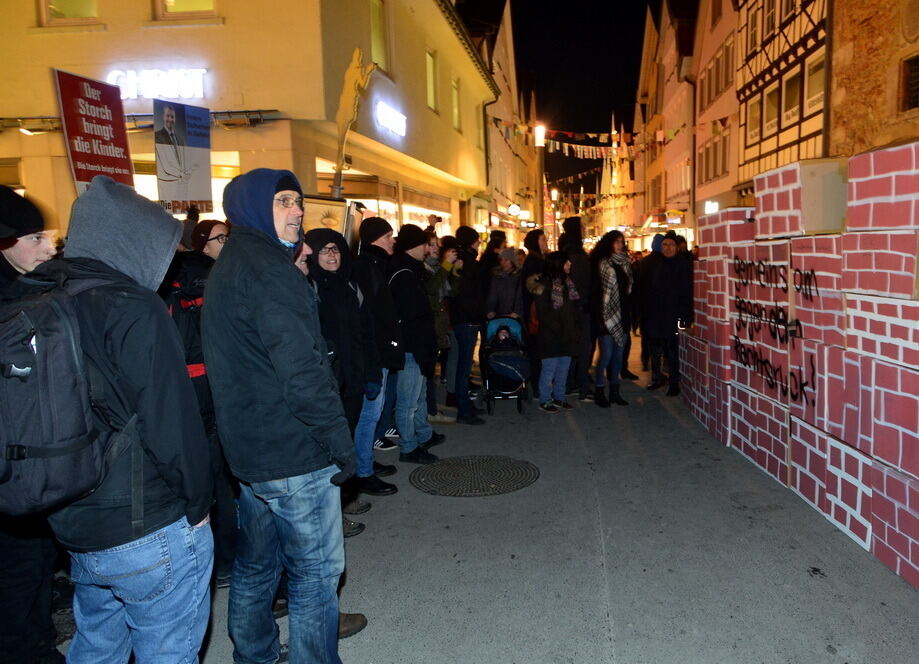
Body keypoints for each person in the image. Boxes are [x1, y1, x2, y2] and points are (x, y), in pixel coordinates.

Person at [22, 176, 214, 663]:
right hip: (148, 521)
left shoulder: (41, 297)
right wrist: (199, 507)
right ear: (130, 239)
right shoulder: (132, 306)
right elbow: (172, 422)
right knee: (168, 652)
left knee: (97, 647)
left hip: (74, 516)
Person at [202, 169, 355, 664]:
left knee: (256, 566)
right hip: (293, 453)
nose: (298, 211)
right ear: (252, 207)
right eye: (284, 201)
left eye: (298, 201)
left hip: (251, 452)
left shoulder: (233, 263)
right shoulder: (271, 271)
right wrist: (339, 441)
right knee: (314, 575)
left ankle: (256, 655)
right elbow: (302, 371)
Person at [0, 186, 63, 664]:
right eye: (36, 237)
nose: (50, 247)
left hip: (28, 468)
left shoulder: (29, 293)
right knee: (19, 576)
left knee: (35, 566)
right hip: (10, 473)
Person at [160, 219, 239, 588]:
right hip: (210, 387)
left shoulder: (174, 279)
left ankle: (219, 559)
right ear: (201, 245)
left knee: (208, 480)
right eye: (220, 237)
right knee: (217, 480)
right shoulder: (202, 276)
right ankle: (225, 558)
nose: (227, 242)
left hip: (193, 389)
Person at [302, 228, 397, 500]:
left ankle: (345, 497)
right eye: (324, 250)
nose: (332, 255)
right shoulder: (310, 288)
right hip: (328, 384)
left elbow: (366, 334)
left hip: (354, 380)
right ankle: (333, 504)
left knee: (351, 435)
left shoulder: (350, 286)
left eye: (336, 249)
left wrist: (372, 373)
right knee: (330, 447)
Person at [388, 224, 445, 463]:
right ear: (413, 246)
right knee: (408, 401)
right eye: (425, 244)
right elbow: (411, 317)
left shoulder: (411, 270)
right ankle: (408, 447)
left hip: (417, 346)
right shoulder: (404, 273)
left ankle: (423, 434)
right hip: (411, 347)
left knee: (418, 397)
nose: (429, 249)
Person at [351, 217, 405, 456]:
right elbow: (372, 315)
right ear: (374, 240)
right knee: (370, 411)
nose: (392, 241)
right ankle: (364, 468)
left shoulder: (376, 265)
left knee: (374, 409)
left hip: (379, 349)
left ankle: (366, 462)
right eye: (387, 237)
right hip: (375, 351)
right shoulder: (367, 267)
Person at [529, 251, 581, 413]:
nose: (570, 264)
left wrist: (574, 328)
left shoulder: (568, 283)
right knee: (549, 369)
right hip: (550, 336)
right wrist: (559, 327)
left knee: (564, 368)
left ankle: (559, 397)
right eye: (566, 262)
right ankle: (545, 399)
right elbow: (544, 314)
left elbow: (573, 309)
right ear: (558, 264)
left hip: (567, 334)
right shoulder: (544, 285)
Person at [642, 234, 692, 396]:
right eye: (664, 245)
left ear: (677, 248)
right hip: (657, 315)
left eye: (671, 245)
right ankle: (658, 378)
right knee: (657, 348)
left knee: (672, 351)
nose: (667, 248)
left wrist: (684, 315)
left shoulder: (683, 265)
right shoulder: (659, 264)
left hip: (673, 315)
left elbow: (686, 292)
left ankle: (674, 383)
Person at [450, 225, 487, 425]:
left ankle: (465, 406)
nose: (480, 244)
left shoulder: (459, 260)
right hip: (467, 319)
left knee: (464, 366)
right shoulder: (468, 262)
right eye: (477, 241)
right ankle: (463, 410)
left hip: (461, 318)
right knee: (464, 367)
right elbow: (471, 294)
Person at [591, 231, 633, 407]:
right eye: (616, 242)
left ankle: (615, 391)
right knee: (606, 355)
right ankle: (600, 390)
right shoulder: (602, 264)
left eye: (621, 242)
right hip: (605, 315)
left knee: (618, 355)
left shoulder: (625, 262)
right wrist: (599, 315)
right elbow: (596, 292)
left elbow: (629, 290)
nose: (619, 245)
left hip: (622, 314)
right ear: (609, 243)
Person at [423, 231, 458, 425]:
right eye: (431, 245)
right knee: (426, 373)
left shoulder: (437, 268)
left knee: (430, 372)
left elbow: (450, 292)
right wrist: (446, 265)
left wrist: (454, 270)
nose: (436, 248)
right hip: (429, 324)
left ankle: (431, 407)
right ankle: (429, 410)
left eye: (437, 245)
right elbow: (433, 288)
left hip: (439, 323)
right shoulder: (425, 268)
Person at [559, 217, 593, 401]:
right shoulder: (576, 255)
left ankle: (571, 382)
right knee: (581, 348)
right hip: (579, 307)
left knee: (573, 348)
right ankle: (578, 384)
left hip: (572, 307)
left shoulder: (567, 252)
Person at [486, 247, 524, 320]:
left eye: (506, 260)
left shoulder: (519, 276)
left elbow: (520, 296)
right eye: (501, 260)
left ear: (512, 262)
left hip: (515, 316)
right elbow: (492, 295)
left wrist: (517, 311)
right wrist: (490, 310)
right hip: (499, 315)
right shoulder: (497, 276)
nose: (503, 263)